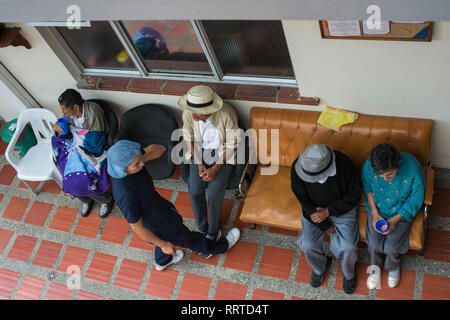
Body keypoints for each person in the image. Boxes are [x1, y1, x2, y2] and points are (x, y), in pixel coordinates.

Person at [107, 139, 241, 271]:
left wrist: (142, 155)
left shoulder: (128, 163)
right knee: (189, 239)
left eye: (140, 159)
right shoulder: (126, 195)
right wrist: (164, 245)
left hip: (157, 208)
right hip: (160, 224)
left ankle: (162, 262)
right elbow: (137, 228)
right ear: (122, 169)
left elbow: (159, 149)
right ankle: (219, 247)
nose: (142, 164)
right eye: (136, 164)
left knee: (162, 239)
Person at [178, 85, 241, 259]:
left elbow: (232, 144)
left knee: (214, 193)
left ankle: (213, 231)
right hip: (199, 153)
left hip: (223, 156)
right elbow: (189, 137)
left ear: (207, 111)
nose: (192, 115)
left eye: (196, 113)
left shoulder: (227, 114)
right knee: (194, 190)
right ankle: (202, 228)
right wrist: (199, 164)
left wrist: (215, 168)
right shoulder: (188, 113)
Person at [291, 144, 362, 294]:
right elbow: (302, 199)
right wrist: (324, 224)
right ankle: (320, 267)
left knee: (349, 246)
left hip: (343, 209)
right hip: (314, 211)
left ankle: (349, 273)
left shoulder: (346, 165)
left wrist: (329, 211)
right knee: (308, 245)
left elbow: (354, 195)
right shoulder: (299, 166)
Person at [362, 143, 425, 289]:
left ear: (399, 163)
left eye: (389, 174)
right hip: (378, 209)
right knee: (373, 243)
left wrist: (396, 220)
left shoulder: (413, 169)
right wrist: (375, 214)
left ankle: (393, 267)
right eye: (381, 176)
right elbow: (368, 189)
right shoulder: (368, 165)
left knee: (392, 247)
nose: (385, 179)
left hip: (402, 211)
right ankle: (375, 268)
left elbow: (415, 198)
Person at [53, 89, 113, 218]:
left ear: (75, 106)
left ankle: (105, 199)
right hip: (77, 146)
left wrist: (76, 146)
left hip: (94, 148)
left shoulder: (93, 113)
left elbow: (95, 140)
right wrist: (58, 128)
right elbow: (69, 132)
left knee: (80, 177)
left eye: (64, 108)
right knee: (64, 169)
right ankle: (87, 199)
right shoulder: (70, 114)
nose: (63, 111)